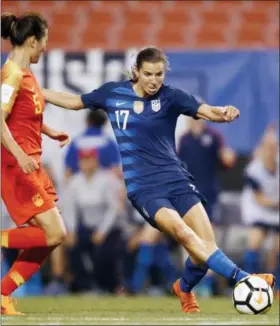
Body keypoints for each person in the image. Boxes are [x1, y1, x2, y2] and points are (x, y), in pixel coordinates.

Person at [42, 46, 275, 313]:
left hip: (176, 179)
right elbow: (73, 101)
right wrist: (38, 91)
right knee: (183, 234)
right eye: (149, 74)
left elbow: (207, 111)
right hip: (143, 187)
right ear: (136, 72)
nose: (154, 80)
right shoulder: (113, 94)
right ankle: (244, 278)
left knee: (205, 247)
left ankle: (184, 289)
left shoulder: (172, 97)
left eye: (159, 74)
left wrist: (224, 112)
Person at [1, 13, 70, 315]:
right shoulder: (12, 73)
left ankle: (2, 295)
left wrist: (48, 130)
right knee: (56, 233)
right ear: (32, 40)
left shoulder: (25, 74)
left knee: (46, 240)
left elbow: (20, 116)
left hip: (30, 162)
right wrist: (19, 155)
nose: (45, 48)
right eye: (44, 42)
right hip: (18, 165)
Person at [177, 118, 236, 295]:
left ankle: (208, 283)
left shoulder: (214, 137)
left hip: (209, 196)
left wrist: (227, 157)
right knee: (188, 237)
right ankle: (190, 282)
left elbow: (226, 162)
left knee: (209, 237)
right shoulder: (184, 139)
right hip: (189, 195)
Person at [62, 148, 122, 293]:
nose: (86, 164)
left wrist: (102, 231)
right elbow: (70, 208)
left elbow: (113, 208)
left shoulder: (107, 179)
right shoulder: (75, 181)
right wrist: (72, 230)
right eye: (83, 161)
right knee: (72, 247)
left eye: (89, 160)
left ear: (96, 161)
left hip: (108, 228)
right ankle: (83, 285)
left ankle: (107, 286)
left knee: (102, 255)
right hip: (86, 227)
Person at [241, 125, 279, 297]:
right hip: (258, 210)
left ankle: (275, 286)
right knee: (255, 240)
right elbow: (260, 198)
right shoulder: (253, 170)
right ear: (261, 149)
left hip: (276, 211)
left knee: (276, 248)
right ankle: (249, 282)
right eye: (268, 147)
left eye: (274, 147)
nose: (271, 151)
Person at [64, 109, 121, 180]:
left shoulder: (76, 142)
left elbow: (68, 171)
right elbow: (116, 170)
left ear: (88, 121)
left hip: (80, 186)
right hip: (105, 186)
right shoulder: (109, 142)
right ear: (103, 122)